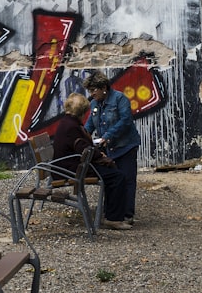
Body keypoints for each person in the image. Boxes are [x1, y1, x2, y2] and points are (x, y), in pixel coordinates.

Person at [53, 92, 132, 230]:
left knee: (112, 174)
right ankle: (113, 218)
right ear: (83, 112)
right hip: (72, 169)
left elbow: (80, 147)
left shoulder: (66, 122)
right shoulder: (72, 127)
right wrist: (99, 155)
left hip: (67, 165)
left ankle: (110, 213)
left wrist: (96, 154)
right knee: (117, 177)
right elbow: (83, 149)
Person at [84, 70, 141, 224]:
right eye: (90, 90)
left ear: (104, 87)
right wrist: (82, 135)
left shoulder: (119, 99)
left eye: (93, 90)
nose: (91, 93)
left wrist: (107, 136)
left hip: (125, 146)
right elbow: (90, 124)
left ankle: (127, 215)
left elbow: (125, 121)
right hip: (109, 149)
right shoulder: (95, 103)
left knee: (128, 179)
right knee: (114, 180)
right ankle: (113, 213)